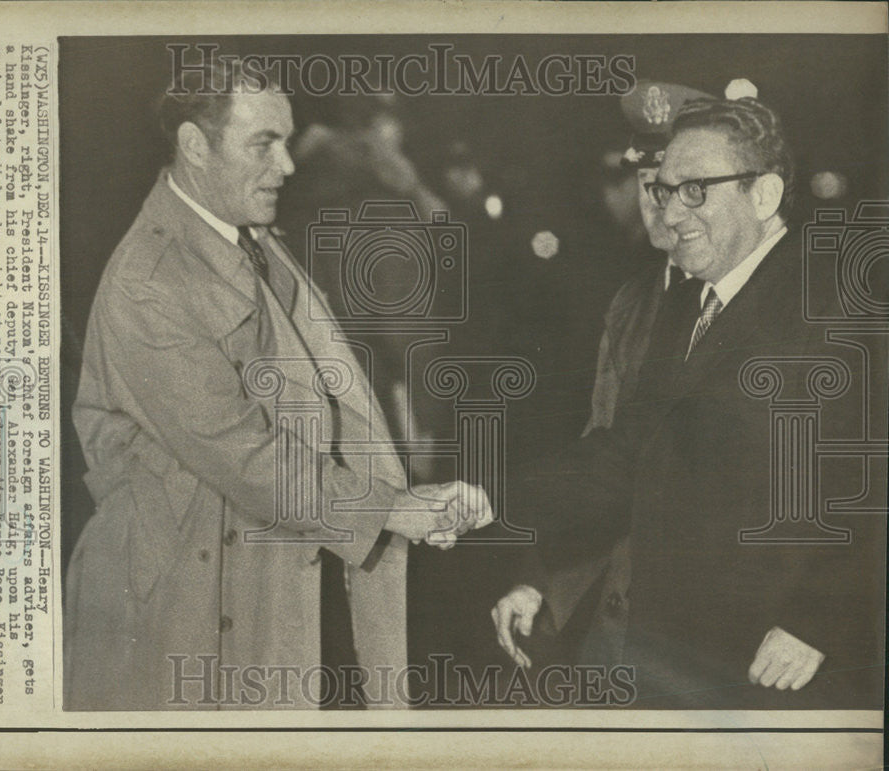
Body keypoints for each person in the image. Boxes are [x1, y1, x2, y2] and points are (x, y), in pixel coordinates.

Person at [63, 59, 491, 710]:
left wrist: (408, 498)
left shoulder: (248, 237)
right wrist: (392, 510)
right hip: (174, 614)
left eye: (287, 140)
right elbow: (244, 454)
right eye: (264, 143)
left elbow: (325, 400)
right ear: (193, 146)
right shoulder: (151, 279)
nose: (288, 165)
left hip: (255, 580)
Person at [493, 93, 884, 708]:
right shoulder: (687, 305)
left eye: (694, 190)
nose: (670, 214)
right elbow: (625, 455)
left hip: (774, 665)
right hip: (675, 653)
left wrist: (820, 621)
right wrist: (482, 498)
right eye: (663, 190)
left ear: (764, 195)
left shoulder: (835, 305)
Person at [503, 80, 715, 671]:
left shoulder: (750, 305)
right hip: (620, 630)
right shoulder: (633, 302)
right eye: (643, 182)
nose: (655, 200)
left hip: (711, 638)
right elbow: (603, 460)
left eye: (676, 183)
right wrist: (541, 580)